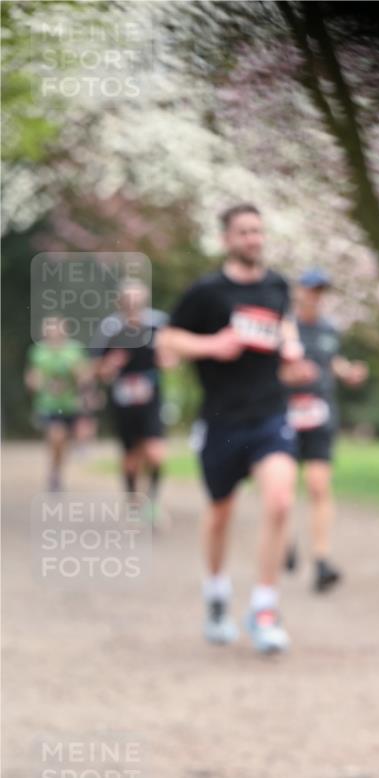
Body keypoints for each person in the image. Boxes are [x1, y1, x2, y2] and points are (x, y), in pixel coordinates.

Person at [156, 203, 316, 654]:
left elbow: (283, 326)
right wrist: (212, 345)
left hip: (269, 415)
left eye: (258, 231)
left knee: (280, 500)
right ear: (226, 239)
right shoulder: (207, 292)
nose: (253, 239)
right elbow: (167, 340)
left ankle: (264, 608)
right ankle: (216, 594)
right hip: (222, 421)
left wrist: (292, 353)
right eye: (244, 232)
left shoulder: (276, 286)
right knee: (220, 512)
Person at [284, 268, 368, 591]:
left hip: (320, 414)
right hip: (285, 415)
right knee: (283, 487)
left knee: (318, 486)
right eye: (311, 290)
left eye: (320, 291)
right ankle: (285, 541)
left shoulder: (329, 329)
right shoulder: (285, 327)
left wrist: (348, 372)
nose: (315, 297)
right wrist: (289, 376)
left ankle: (321, 561)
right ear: (299, 292)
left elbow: (331, 361)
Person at [95, 280, 168, 522]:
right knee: (131, 458)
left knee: (156, 453)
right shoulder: (110, 328)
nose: (133, 304)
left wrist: (169, 359)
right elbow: (97, 369)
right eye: (128, 300)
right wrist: (109, 365)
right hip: (123, 400)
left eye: (138, 299)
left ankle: (152, 502)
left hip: (151, 396)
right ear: (120, 302)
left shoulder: (158, 324)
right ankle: (133, 502)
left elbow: (172, 354)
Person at [25, 315, 91, 491]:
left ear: (64, 330)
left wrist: (80, 379)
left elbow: (84, 374)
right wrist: (35, 383)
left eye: (56, 328)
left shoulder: (74, 350)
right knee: (56, 436)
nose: (52, 332)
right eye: (49, 328)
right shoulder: (38, 351)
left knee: (65, 441)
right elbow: (32, 377)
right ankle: (55, 473)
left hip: (71, 403)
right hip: (48, 404)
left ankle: (58, 468)